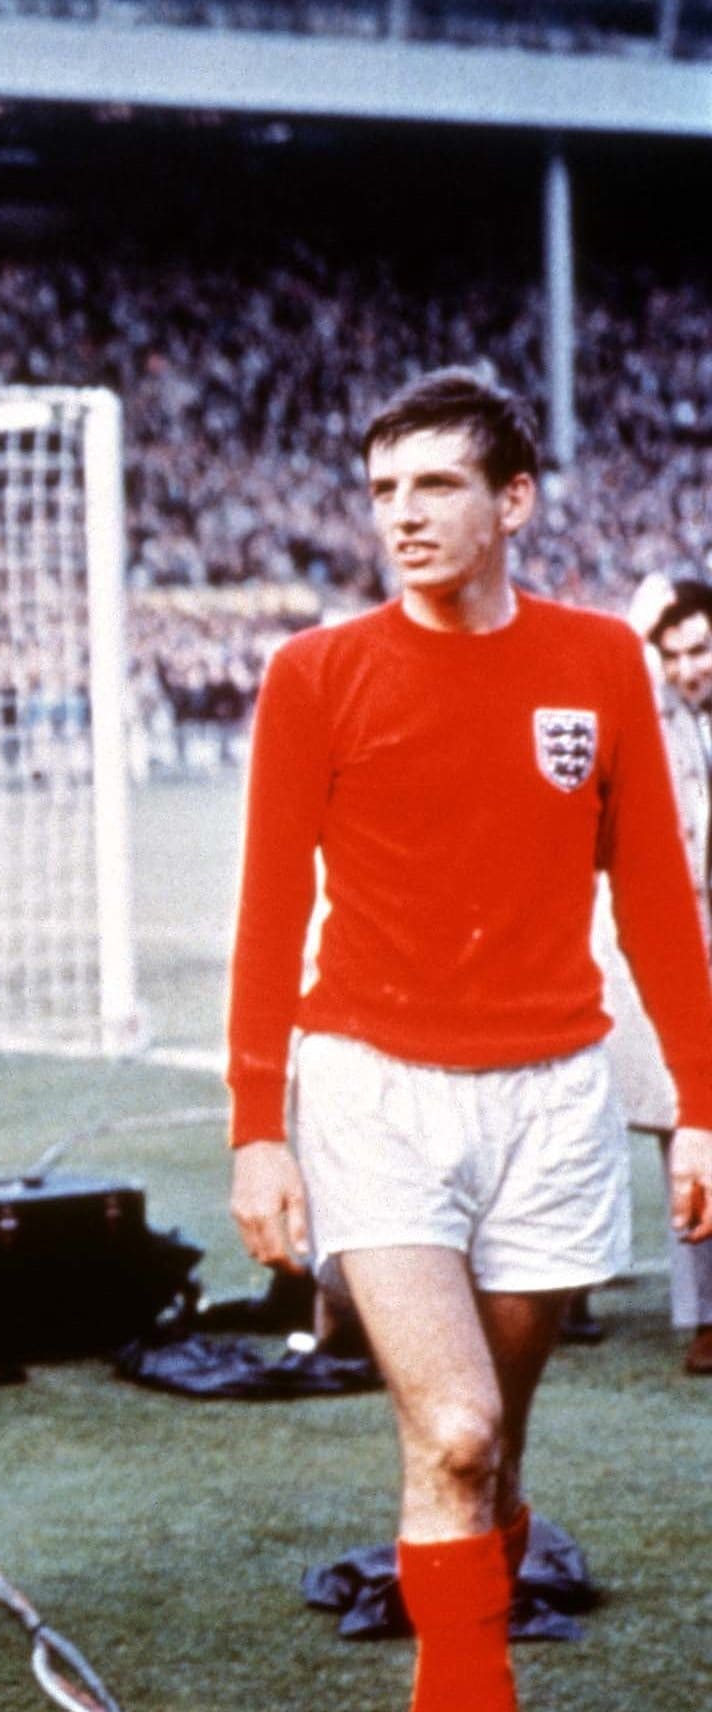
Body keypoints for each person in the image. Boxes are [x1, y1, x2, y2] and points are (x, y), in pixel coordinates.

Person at [227, 368, 712, 1712]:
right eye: (384, 488)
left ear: (515, 501)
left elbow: (656, 900)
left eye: (437, 484)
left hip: (553, 1096)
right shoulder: (315, 672)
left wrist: (704, 1104)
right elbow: (269, 915)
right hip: (373, 1088)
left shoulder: (600, 662)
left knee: (490, 1456)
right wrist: (258, 1128)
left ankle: (480, 1569)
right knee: (453, 1431)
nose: (404, 513)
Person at [602, 576, 712, 1374]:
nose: (687, 669)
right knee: (691, 1123)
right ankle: (704, 1315)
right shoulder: (655, 718)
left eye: (700, 650)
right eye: (672, 656)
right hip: (689, 944)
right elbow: (616, 669)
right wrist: (642, 621)